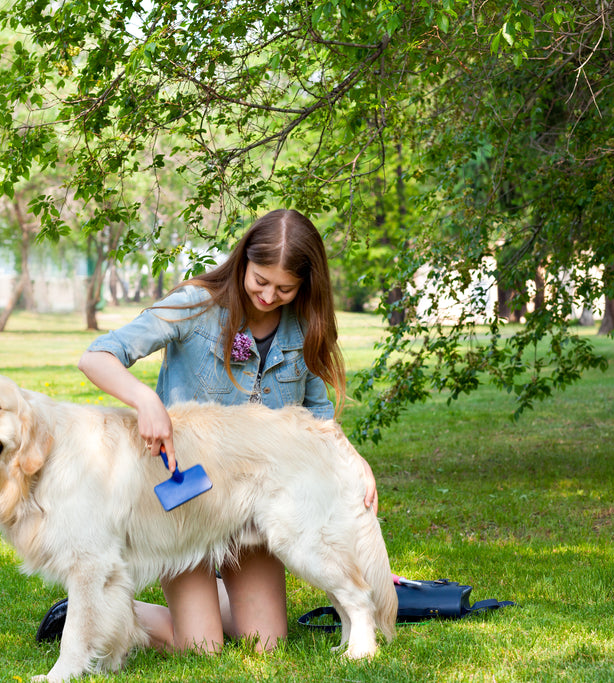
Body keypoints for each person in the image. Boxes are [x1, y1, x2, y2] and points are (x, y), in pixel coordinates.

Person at [36, 208, 378, 654]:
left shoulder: (305, 327)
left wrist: (354, 462)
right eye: (260, 281)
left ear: (305, 286)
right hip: (185, 500)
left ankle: (181, 606)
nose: (270, 295)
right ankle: (97, 608)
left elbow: (318, 420)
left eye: (285, 288)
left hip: (255, 495)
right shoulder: (194, 305)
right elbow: (97, 356)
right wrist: (147, 401)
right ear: (243, 262)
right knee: (201, 648)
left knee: (266, 643)